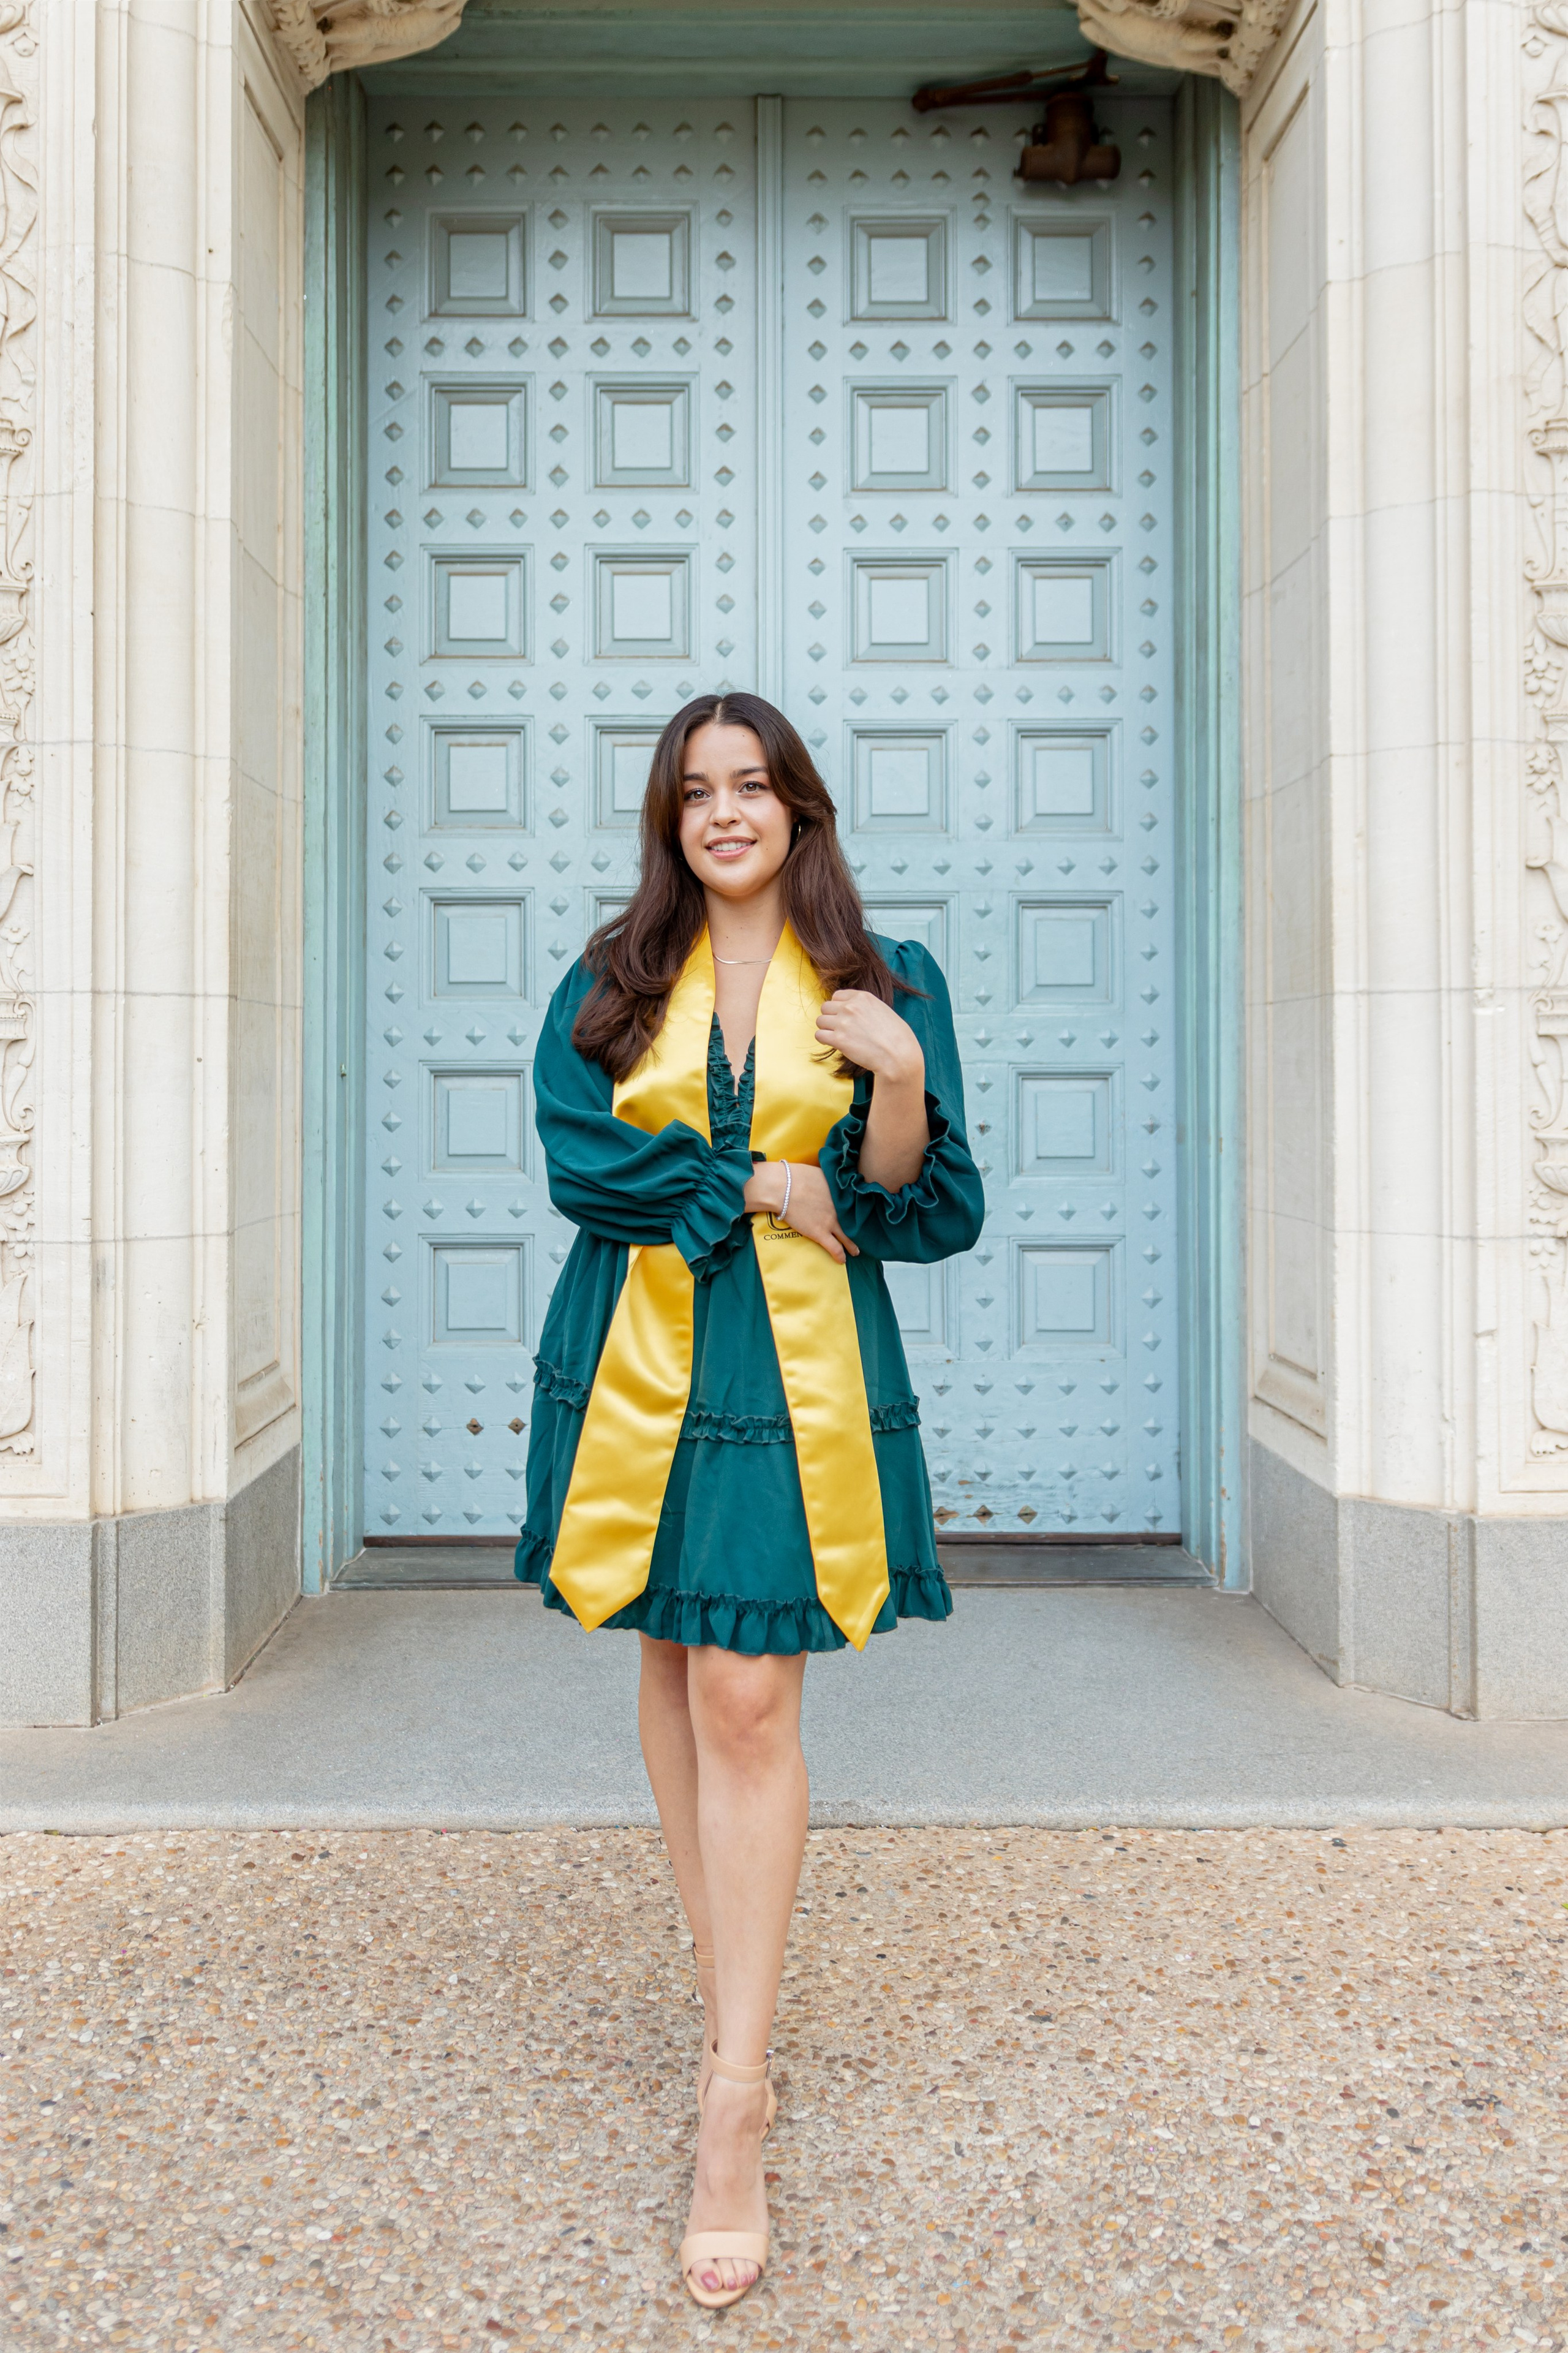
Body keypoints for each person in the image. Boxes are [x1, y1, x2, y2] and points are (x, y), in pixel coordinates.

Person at [515, 690, 984, 2310]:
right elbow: (584, 1158)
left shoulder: (881, 983)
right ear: (671, 819)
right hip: (641, 1354)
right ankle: (740, 2007)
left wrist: (901, 1081)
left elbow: (924, 1209)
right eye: (697, 791)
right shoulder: (617, 974)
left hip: (797, 1380)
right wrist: (763, 1182)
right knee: (671, 1662)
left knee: (745, 1691)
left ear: (800, 807)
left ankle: (733, 2099)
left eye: (754, 785)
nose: (726, 812)